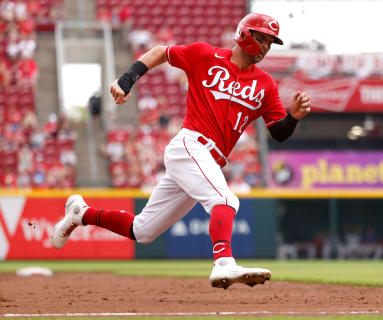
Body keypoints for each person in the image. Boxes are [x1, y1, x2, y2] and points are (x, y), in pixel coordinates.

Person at [51, 13, 311, 289]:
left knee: (142, 230)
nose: (265, 47)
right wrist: (127, 79)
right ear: (244, 34)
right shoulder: (205, 55)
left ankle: (81, 213)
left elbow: (279, 133)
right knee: (226, 200)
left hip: (208, 160)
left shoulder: (266, 85)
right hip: (190, 145)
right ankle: (223, 263)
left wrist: (293, 116)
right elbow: (160, 52)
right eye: (261, 38)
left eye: (270, 43)